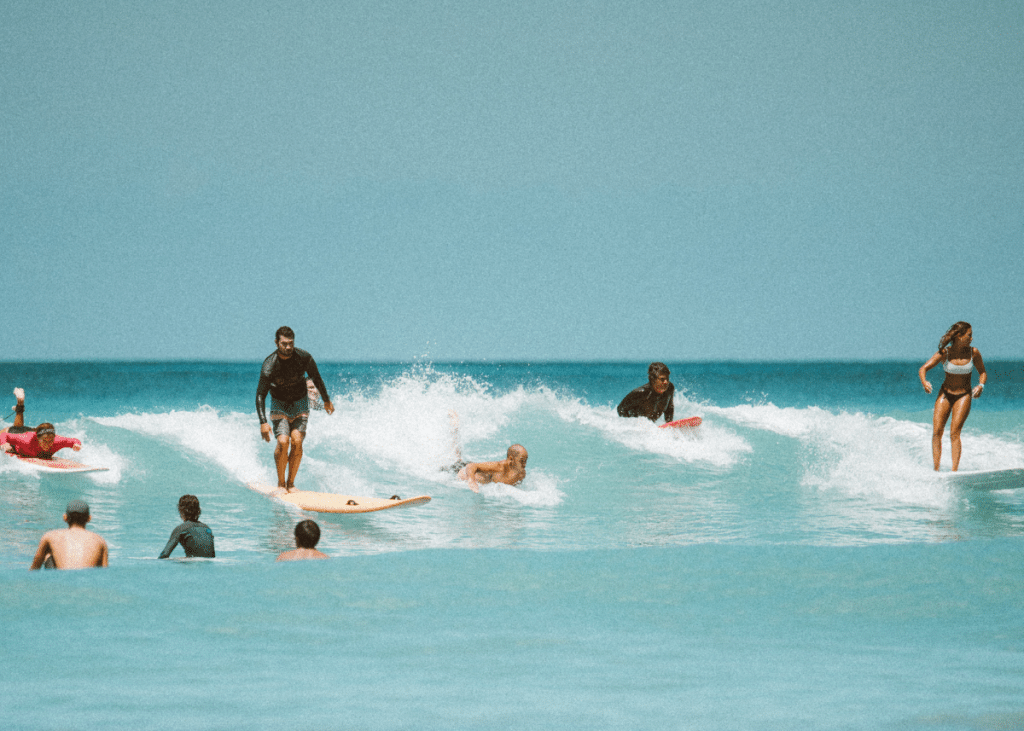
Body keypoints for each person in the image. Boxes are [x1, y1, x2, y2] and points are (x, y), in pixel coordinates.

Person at [256, 326, 335, 490]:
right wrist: (263, 422)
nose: (288, 347)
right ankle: (280, 484)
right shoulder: (269, 365)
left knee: (297, 441)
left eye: (291, 343)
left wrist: (326, 400)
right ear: (276, 343)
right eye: (284, 344)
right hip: (280, 404)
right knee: (283, 442)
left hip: (300, 403)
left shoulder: (303, 357)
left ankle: (291, 484)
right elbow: (260, 395)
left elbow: (316, 378)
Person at [919, 321, 987, 472]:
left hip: (964, 395)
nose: (971, 338)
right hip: (945, 393)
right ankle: (935, 470)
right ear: (959, 336)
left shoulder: (973, 352)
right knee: (937, 431)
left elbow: (982, 372)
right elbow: (923, 369)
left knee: (954, 433)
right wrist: (925, 382)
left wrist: (980, 385)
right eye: (969, 335)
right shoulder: (945, 353)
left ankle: (954, 471)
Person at [446, 410, 527, 492]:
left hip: (476, 471)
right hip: (462, 472)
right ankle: (455, 426)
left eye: (526, 460)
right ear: (511, 459)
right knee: (452, 463)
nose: (525, 464)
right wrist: (472, 481)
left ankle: (455, 429)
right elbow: (471, 466)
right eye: (522, 461)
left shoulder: (521, 474)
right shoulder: (499, 467)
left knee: (458, 458)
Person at [1, 388, 83, 458]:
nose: (47, 444)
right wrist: (4, 444)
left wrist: (77, 445)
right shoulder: (25, 439)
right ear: (37, 438)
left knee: (19, 427)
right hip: (15, 435)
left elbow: (74, 441)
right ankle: (20, 403)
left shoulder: (57, 441)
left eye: (50, 441)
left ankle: (20, 403)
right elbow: (4, 435)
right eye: (44, 441)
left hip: (30, 433)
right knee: (15, 429)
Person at [30, 499, 108, 570]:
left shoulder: (50, 536)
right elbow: (105, 575)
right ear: (89, 518)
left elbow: (33, 570)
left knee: (48, 554)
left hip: (62, 583)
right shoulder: (100, 540)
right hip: (86, 584)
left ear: (65, 517)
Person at [158, 494, 216, 559]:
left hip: (192, 565)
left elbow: (164, 555)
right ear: (198, 510)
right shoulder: (207, 528)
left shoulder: (181, 528)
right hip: (209, 565)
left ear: (181, 510)